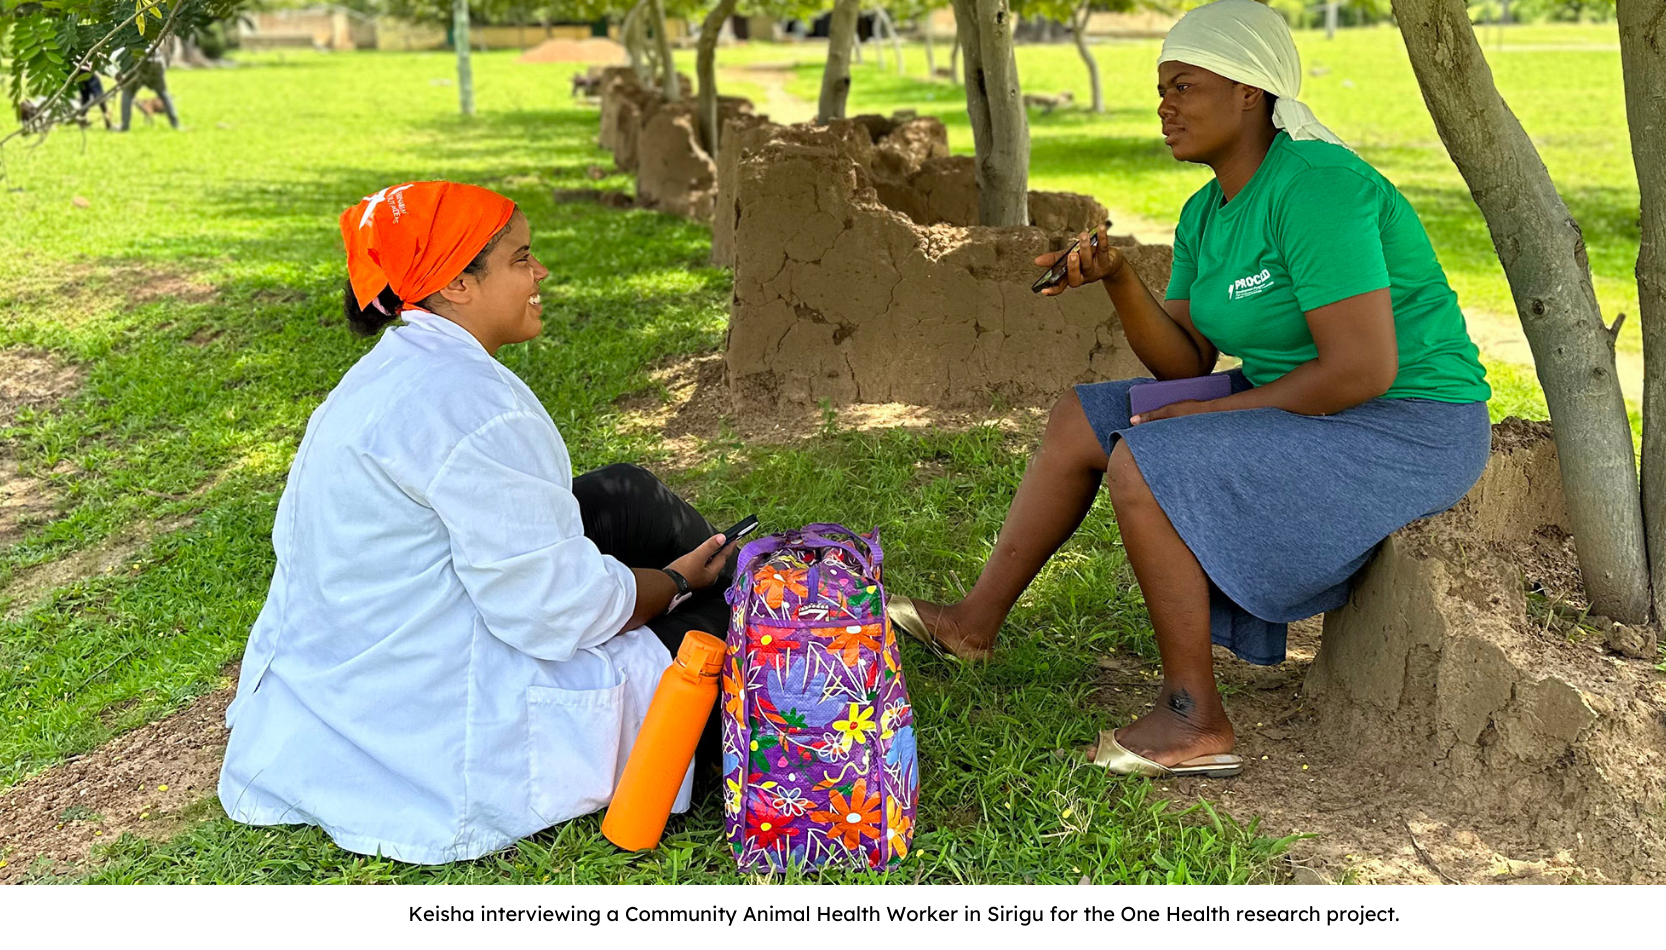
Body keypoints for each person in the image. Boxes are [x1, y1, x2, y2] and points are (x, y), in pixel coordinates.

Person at [886, 0, 1492, 779]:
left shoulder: (1317, 187)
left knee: (1148, 457)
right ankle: (972, 624)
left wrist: (1212, 415)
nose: (1165, 105)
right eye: (1160, 88)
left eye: (1183, 86)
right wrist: (1118, 279)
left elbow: (1361, 370)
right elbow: (1183, 366)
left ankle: (1195, 718)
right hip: (1315, 402)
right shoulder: (1208, 210)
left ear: (1250, 91)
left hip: (1406, 424)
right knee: (1084, 418)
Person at [217, 181, 737, 864]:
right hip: (432, 732)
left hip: (358, 676)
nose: (540, 272)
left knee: (629, 495)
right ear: (459, 284)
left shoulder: (400, 367)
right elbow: (556, 614)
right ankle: (798, 619)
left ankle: (755, 585)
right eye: (522, 259)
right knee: (726, 635)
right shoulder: (476, 408)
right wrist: (669, 584)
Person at [114, 44, 180, 131]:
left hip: (142, 64)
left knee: (127, 93)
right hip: (157, 63)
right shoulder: (150, 39)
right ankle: (175, 124)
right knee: (163, 94)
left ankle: (124, 126)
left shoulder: (132, 40)